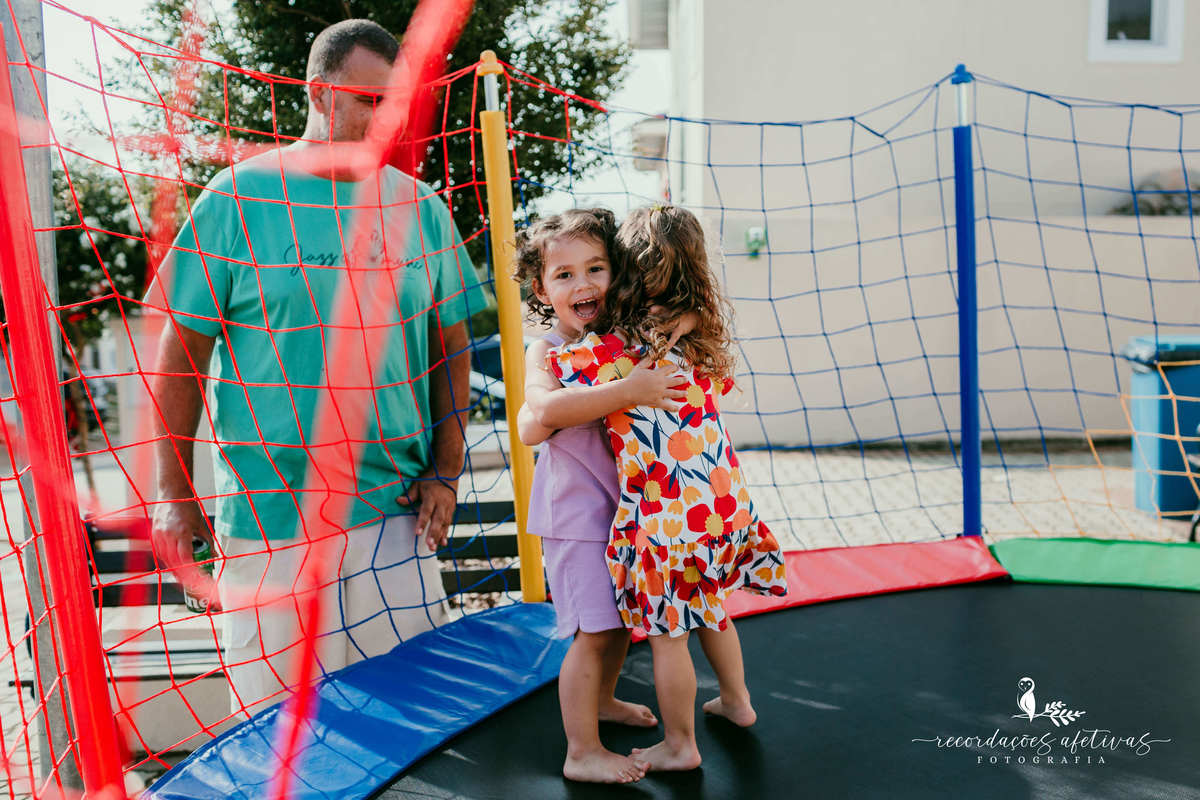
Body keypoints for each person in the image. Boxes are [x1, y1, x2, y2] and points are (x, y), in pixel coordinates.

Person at [147, 18, 488, 717]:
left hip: (394, 519)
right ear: (317, 92)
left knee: (411, 728)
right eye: (368, 100)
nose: (383, 118)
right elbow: (180, 355)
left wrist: (447, 469)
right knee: (281, 735)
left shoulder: (418, 207)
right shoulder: (236, 199)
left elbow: (451, 345)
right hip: (269, 525)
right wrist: (175, 498)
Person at [547, 204, 788, 771]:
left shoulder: (608, 353)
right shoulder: (702, 342)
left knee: (668, 634)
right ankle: (737, 702)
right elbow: (712, 355)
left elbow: (550, 400)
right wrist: (690, 318)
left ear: (627, 272)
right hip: (725, 507)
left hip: (667, 518)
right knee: (712, 608)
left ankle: (680, 745)